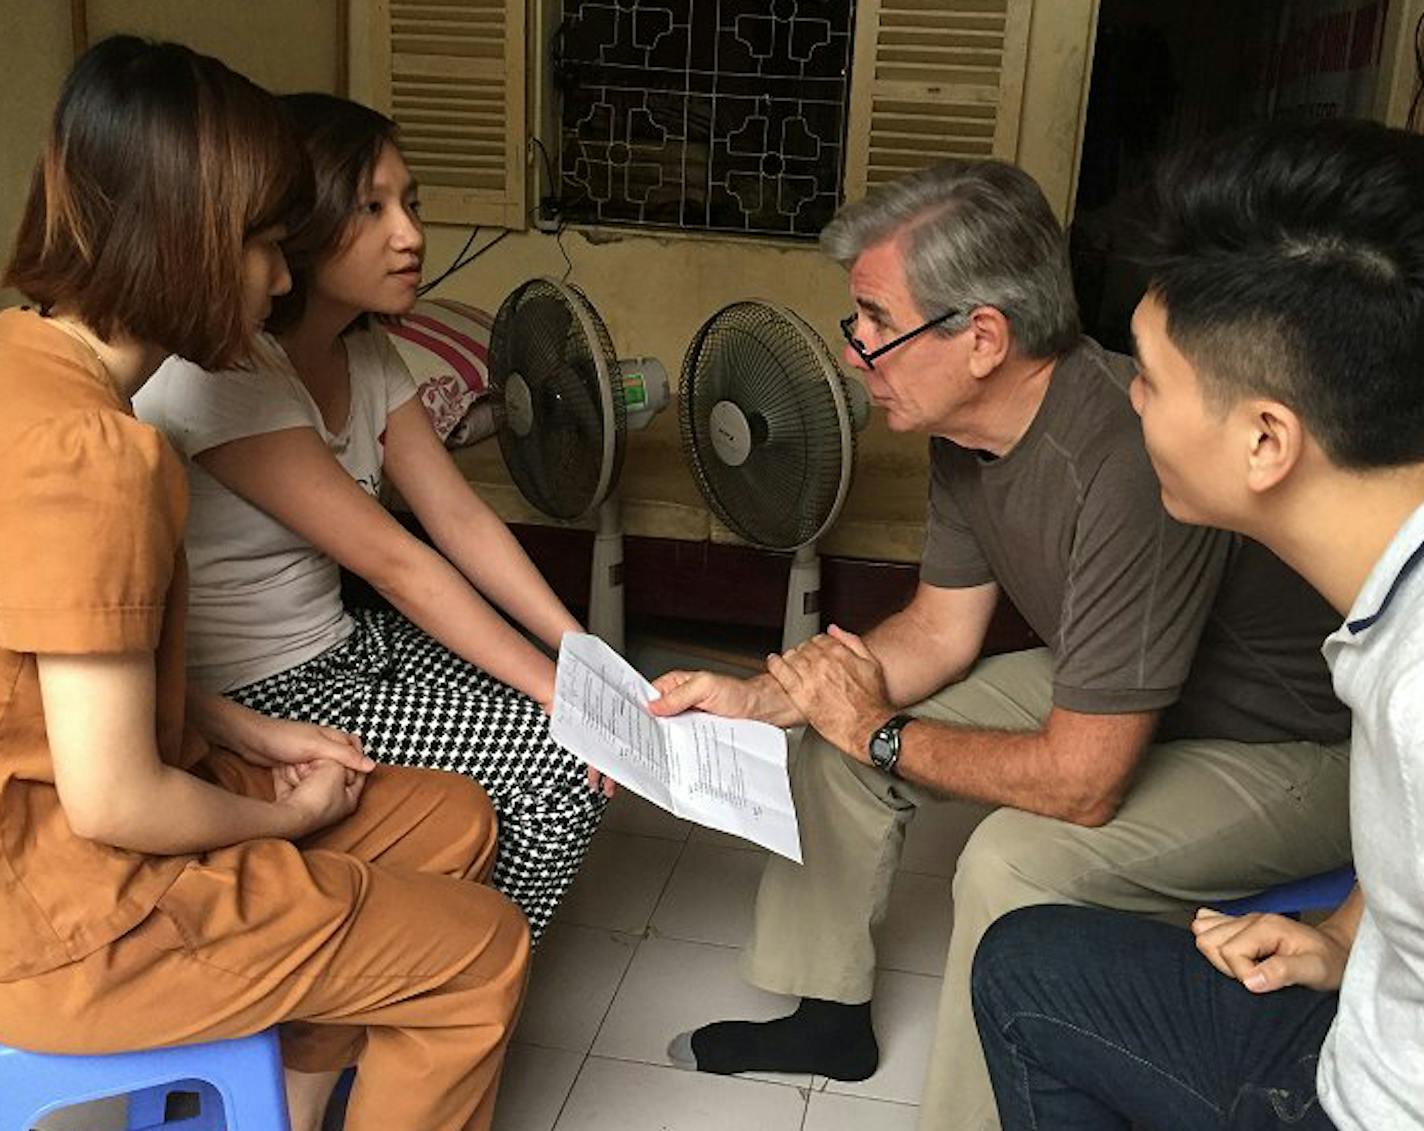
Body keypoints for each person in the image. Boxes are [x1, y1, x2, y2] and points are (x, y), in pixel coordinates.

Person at [652, 158, 1353, 1131]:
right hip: (1128, 690)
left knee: (1011, 861)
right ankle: (827, 1016)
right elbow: (939, 630)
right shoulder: (962, 432)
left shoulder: (1124, 458)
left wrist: (878, 731)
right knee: (833, 731)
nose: (853, 353)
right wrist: (767, 698)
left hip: (1288, 746)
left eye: (869, 322)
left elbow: (1080, 780)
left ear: (980, 337)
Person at [0, 37, 528, 1131]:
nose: (283, 280)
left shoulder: (17, 364)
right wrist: (281, 828)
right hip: (70, 911)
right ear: (185, 242)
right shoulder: (97, 455)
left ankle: (281, 1100)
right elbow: (116, 800)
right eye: (262, 246)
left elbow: (52, 680)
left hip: (64, 831)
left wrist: (258, 736)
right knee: (482, 954)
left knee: (451, 820)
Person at [971, 117, 1424, 1131]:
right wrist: (1346, 938)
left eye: (1144, 375)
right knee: (1027, 965)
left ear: (1264, 438)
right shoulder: (1388, 587)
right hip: (1353, 1018)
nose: (1126, 403)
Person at [134, 92, 607, 944]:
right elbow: (399, 562)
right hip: (260, 687)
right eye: (373, 207)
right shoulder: (229, 374)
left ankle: (432, 961)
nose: (411, 234)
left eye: (412, 203)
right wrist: (571, 704)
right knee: (560, 762)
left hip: (349, 643)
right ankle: (464, 978)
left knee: (548, 699)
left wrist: (579, 657)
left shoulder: (365, 348)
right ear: (300, 226)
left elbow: (459, 519)